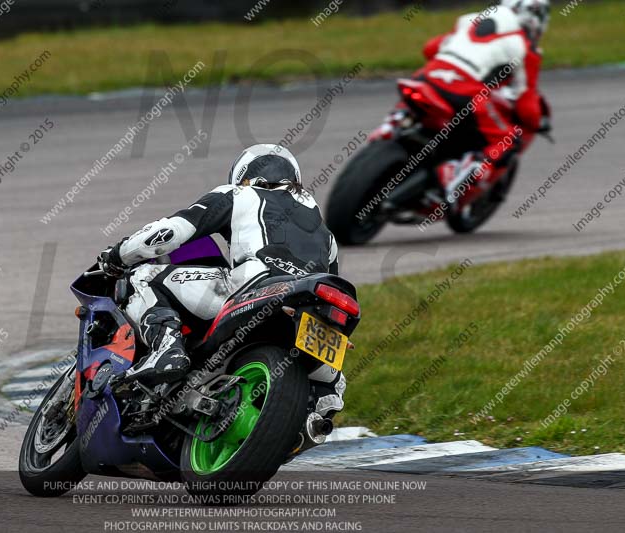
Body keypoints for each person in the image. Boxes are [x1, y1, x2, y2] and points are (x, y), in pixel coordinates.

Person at [96, 144, 339, 386]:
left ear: (243, 175)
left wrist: (119, 255)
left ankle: (166, 350)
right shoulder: (325, 232)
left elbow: (170, 232)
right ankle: (324, 405)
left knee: (143, 277)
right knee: (332, 384)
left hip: (251, 285)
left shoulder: (240, 194)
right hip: (309, 306)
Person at [386, 0, 551, 209]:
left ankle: (387, 129)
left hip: (427, 78)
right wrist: (536, 123)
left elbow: (430, 49)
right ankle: (451, 183)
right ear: (535, 18)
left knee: (406, 109)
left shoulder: (470, 20)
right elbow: (526, 107)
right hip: (464, 92)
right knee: (506, 142)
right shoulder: (526, 47)